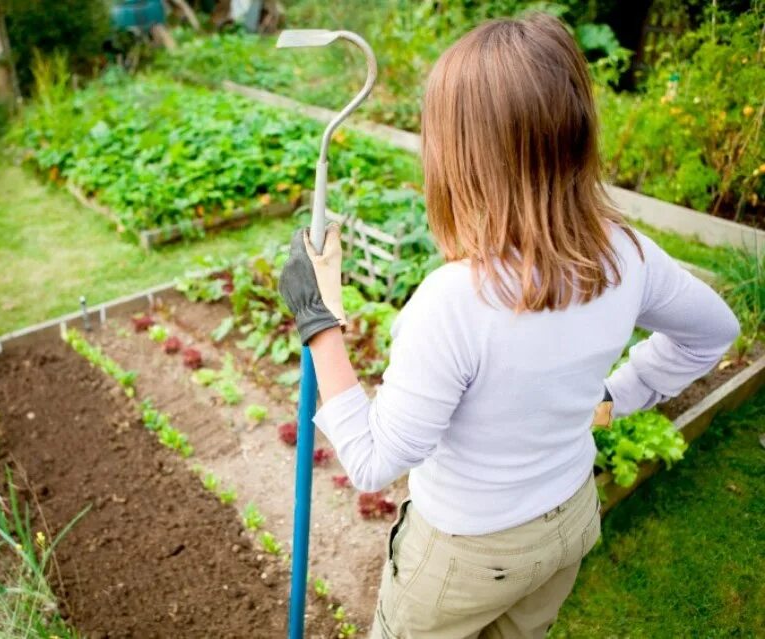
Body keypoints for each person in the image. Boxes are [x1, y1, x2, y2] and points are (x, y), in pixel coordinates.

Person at [278, 12, 739, 639]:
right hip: (568, 524)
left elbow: (373, 460)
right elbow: (713, 331)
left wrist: (318, 322)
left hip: (465, 557)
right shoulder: (626, 255)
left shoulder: (453, 303)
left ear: (464, 156)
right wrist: (611, 401)